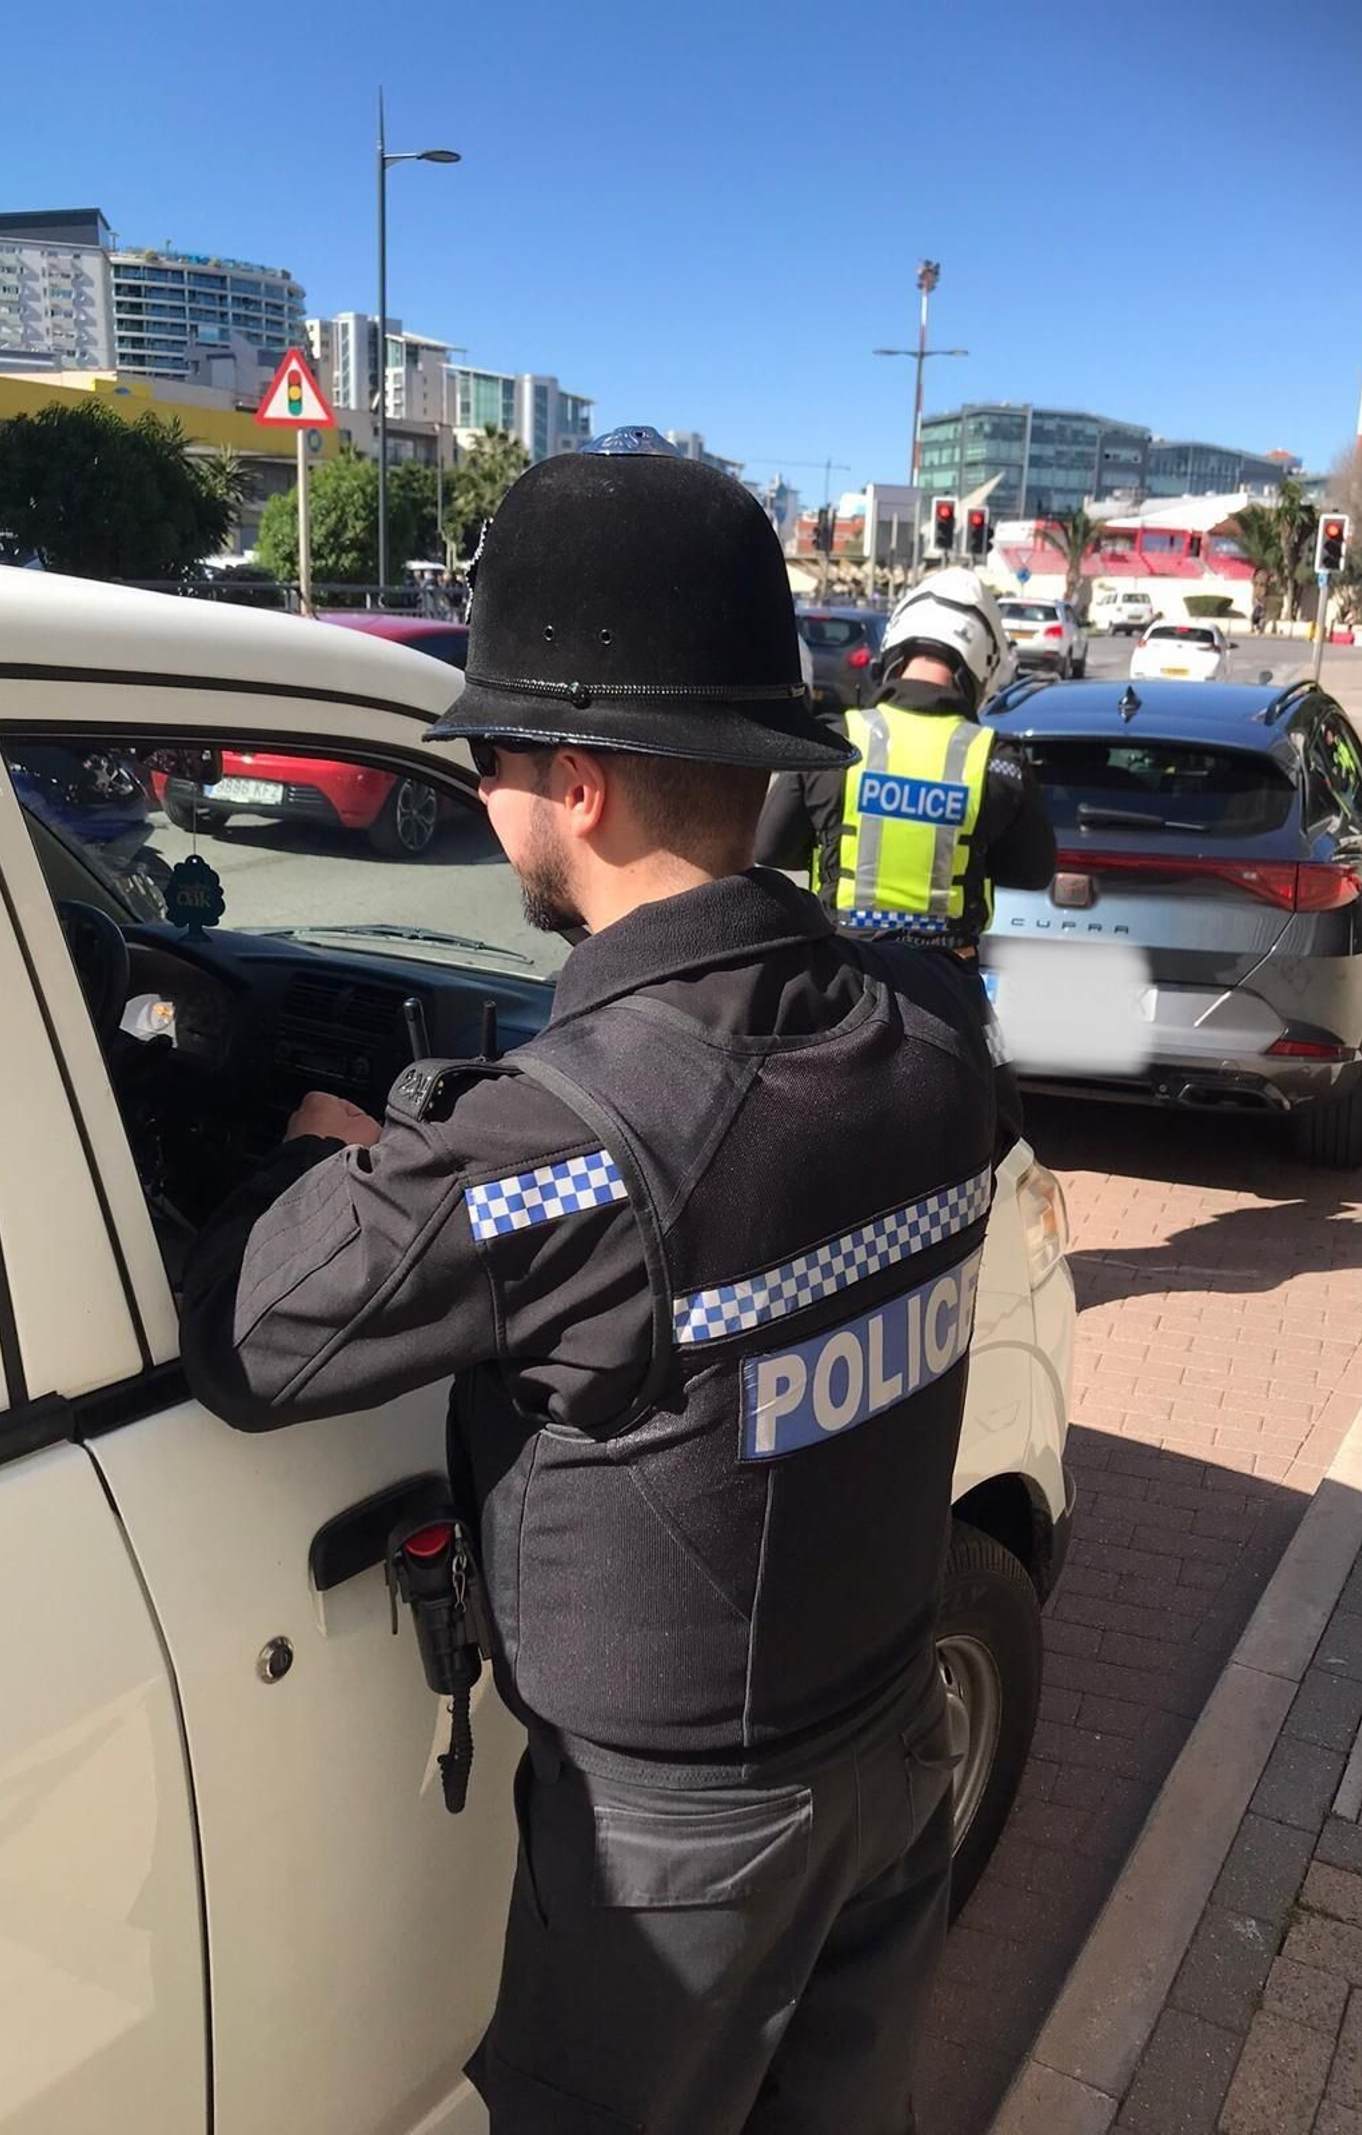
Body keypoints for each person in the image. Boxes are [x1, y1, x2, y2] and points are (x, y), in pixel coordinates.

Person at [178, 429, 1017, 2135]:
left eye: (487, 752)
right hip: (894, 1751)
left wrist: (340, 1155)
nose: (481, 789)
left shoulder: (562, 1150)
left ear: (576, 783)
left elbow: (250, 1335)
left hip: (685, 1861)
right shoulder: (938, 1029)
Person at [755, 565, 1055, 958]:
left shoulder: (836, 742)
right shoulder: (997, 761)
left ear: (895, 649)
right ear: (982, 665)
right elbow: (1033, 871)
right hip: (946, 977)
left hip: (846, 969)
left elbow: (770, 848)